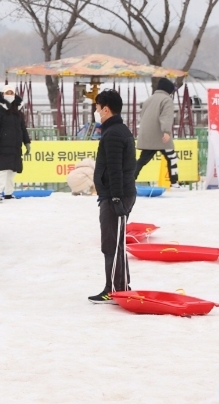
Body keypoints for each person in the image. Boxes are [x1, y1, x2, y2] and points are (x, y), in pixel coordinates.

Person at [89, 89, 137, 304]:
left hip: (116, 196)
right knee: (113, 243)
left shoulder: (114, 133)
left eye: (97, 108)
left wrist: (116, 198)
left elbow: (116, 168)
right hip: (113, 195)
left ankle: (114, 289)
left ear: (106, 109)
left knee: (111, 244)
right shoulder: (115, 131)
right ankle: (121, 285)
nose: (96, 112)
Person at [134, 78, 179, 185]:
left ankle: (129, 180)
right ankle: (174, 183)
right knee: (172, 157)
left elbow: (142, 115)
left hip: (147, 135)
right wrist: (166, 131)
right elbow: (166, 117)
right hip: (161, 136)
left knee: (142, 160)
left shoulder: (149, 99)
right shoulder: (167, 100)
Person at [0, 84, 31, 201]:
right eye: (7, 93)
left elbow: (22, 128)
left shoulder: (17, 110)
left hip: (15, 146)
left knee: (12, 170)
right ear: (3, 94)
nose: (9, 95)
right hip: (3, 145)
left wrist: (26, 142)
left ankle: (9, 192)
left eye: (11, 93)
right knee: (2, 170)